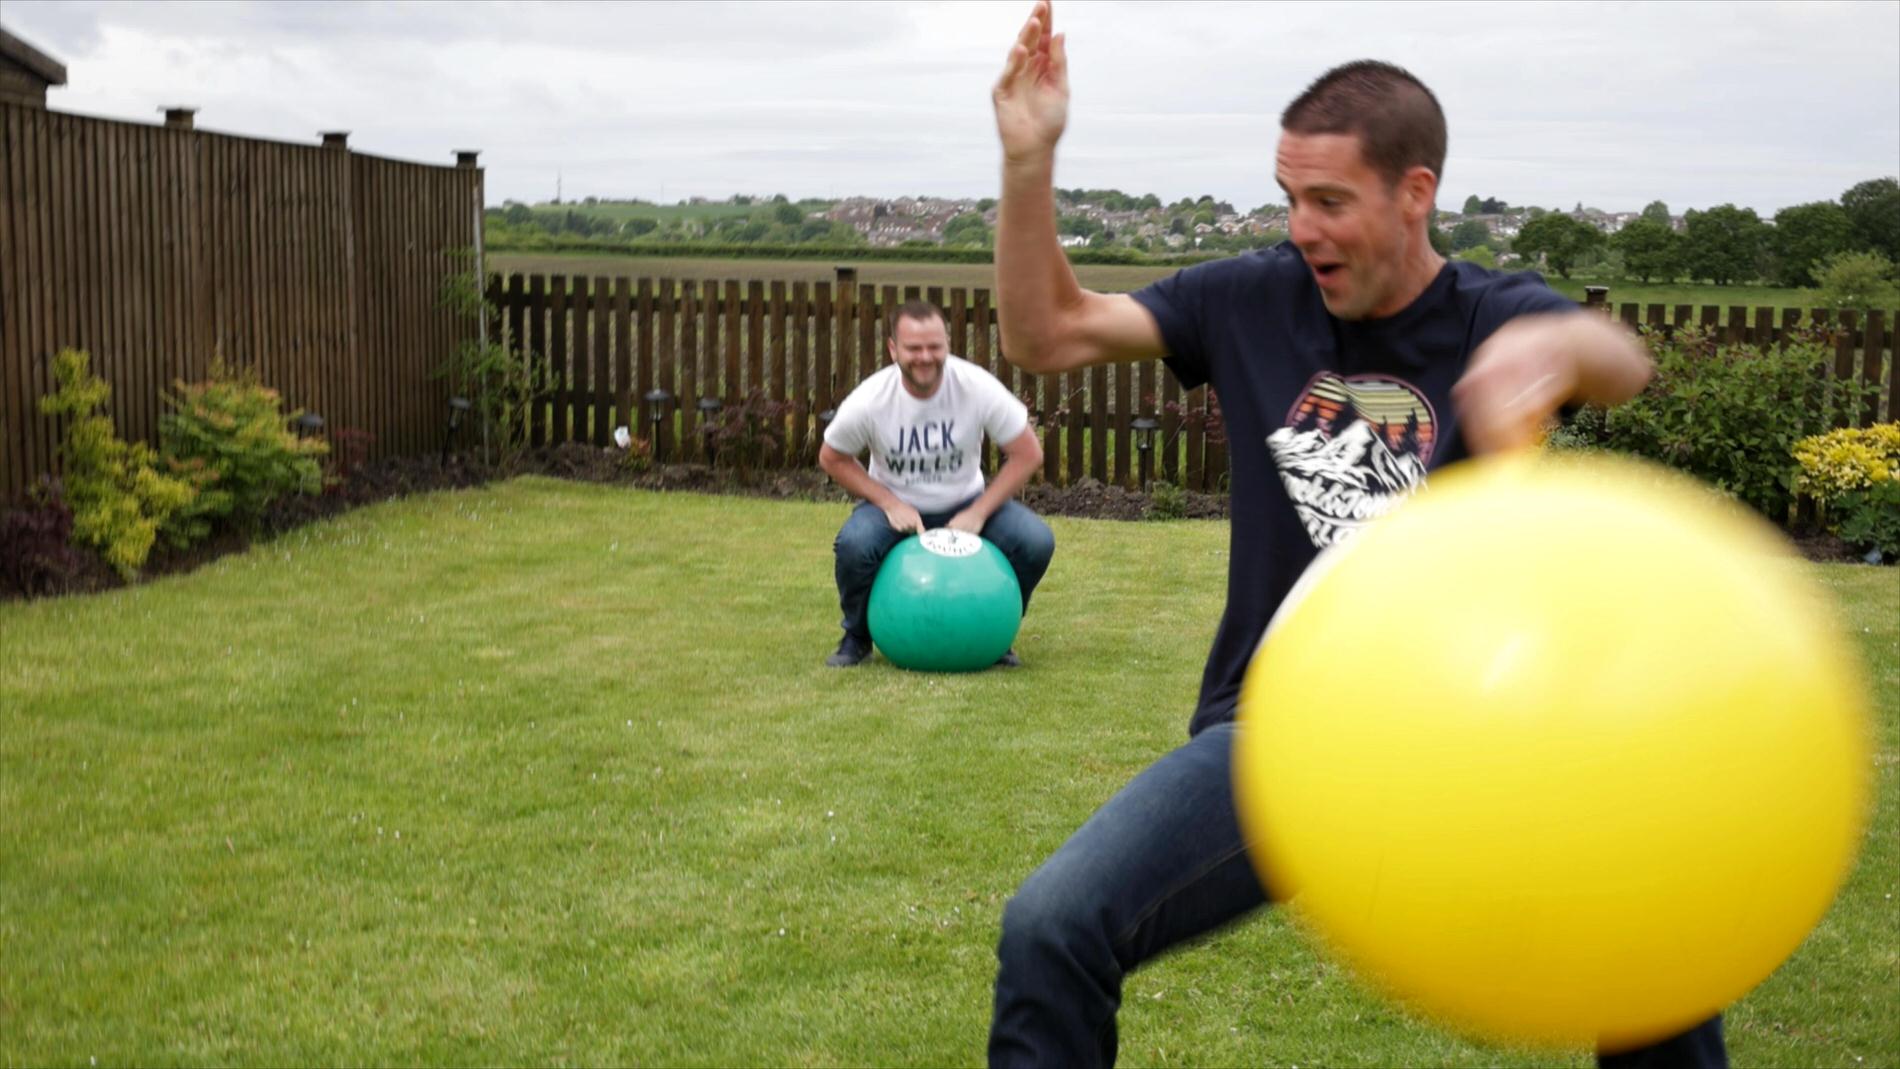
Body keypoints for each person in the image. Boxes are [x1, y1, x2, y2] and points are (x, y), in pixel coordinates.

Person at [984, 4, 1726, 1067]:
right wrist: (1027, 162)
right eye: (1290, 198)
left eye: (1329, 200)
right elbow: (1046, 332)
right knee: (1051, 925)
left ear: (1413, 192)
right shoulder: (1246, 299)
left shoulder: (1489, 313)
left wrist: (1558, 348)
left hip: (1476, 733)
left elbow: (1618, 359)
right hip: (1283, 731)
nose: (1301, 226)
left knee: (1654, 933)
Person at [817, 299, 1055, 669]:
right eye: (914, 348)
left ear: (947, 344)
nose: (925, 357)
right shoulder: (871, 398)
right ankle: (858, 636)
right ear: (893, 349)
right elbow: (831, 457)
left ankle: (995, 631)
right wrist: (888, 502)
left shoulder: (974, 386)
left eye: (935, 346)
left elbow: (1028, 453)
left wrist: (977, 513)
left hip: (967, 501)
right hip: (895, 506)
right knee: (854, 545)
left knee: (1035, 542)